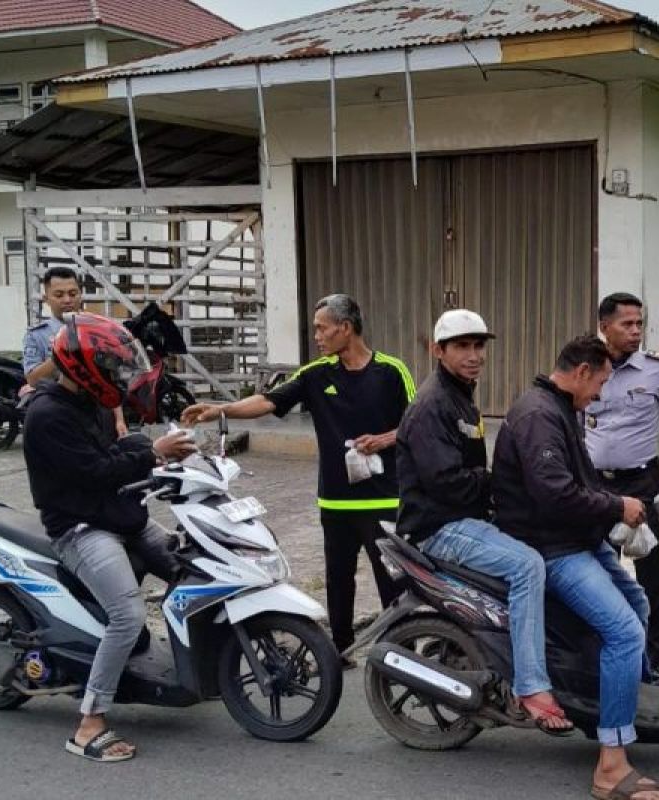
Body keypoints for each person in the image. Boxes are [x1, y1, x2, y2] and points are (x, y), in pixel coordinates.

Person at [493, 335, 659, 800]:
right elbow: (554, 492)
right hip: (551, 548)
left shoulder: (561, 409)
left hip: (575, 538)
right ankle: (611, 766)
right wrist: (616, 507)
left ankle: (611, 705)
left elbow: (580, 481)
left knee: (638, 602)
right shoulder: (539, 415)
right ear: (581, 373)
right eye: (599, 382)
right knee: (625, 634)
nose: (601, 393)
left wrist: (617, 511)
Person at [181, 294, 414, 659]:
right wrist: (220, 410)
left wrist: (383, 439)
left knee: (391, 579)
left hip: (384, 498)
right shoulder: (316, 374)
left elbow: (416, 426)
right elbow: (267, 401)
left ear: (346, 328)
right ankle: (340, 650)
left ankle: (403, 651)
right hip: (335, 500)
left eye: (322, 328)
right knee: (338, 580)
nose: (317, 336)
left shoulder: (392, 371)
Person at [23, 313, 197, 762]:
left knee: (194, 569)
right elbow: (96, 472)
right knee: (127, 616)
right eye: (112, 368)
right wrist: (150, 452)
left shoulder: (95, 404)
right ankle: (89, 722)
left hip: (124, 515)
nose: (121, 377)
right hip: (81, 528)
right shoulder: (46, 416)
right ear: (85, 368)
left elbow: (116, 452)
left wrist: (152, 454)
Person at [395, 308, 572, 734]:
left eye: (478, 346)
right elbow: (447, 483)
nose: (474, 355)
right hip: (440, 528)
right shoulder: (432, 404)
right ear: (439, 351)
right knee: (526, 565)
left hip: (464, 517)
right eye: (462, 346)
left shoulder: (460, 394)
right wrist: (498, 483)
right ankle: (530, 686)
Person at [585, 293, 659, 679]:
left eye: (639, 324)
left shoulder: (657, 369)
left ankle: (654, 661)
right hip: (596, 484)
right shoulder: (585, 364)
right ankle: (601, 654)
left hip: (643, 480)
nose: (635, 331)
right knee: (597, 570)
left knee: (651, 573)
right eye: (626, 324)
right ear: (604, 327)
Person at [22, 266, 126, 437]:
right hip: (60, 414)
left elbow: (110, 377)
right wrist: (62, 353)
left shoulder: (96, 329)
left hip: (98, 411)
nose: (67, 300)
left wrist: (119, 420)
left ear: (80, 295)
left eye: (72, 293)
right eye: (59, 295)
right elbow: (33, 379)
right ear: (46, 298)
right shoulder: (36, 335)